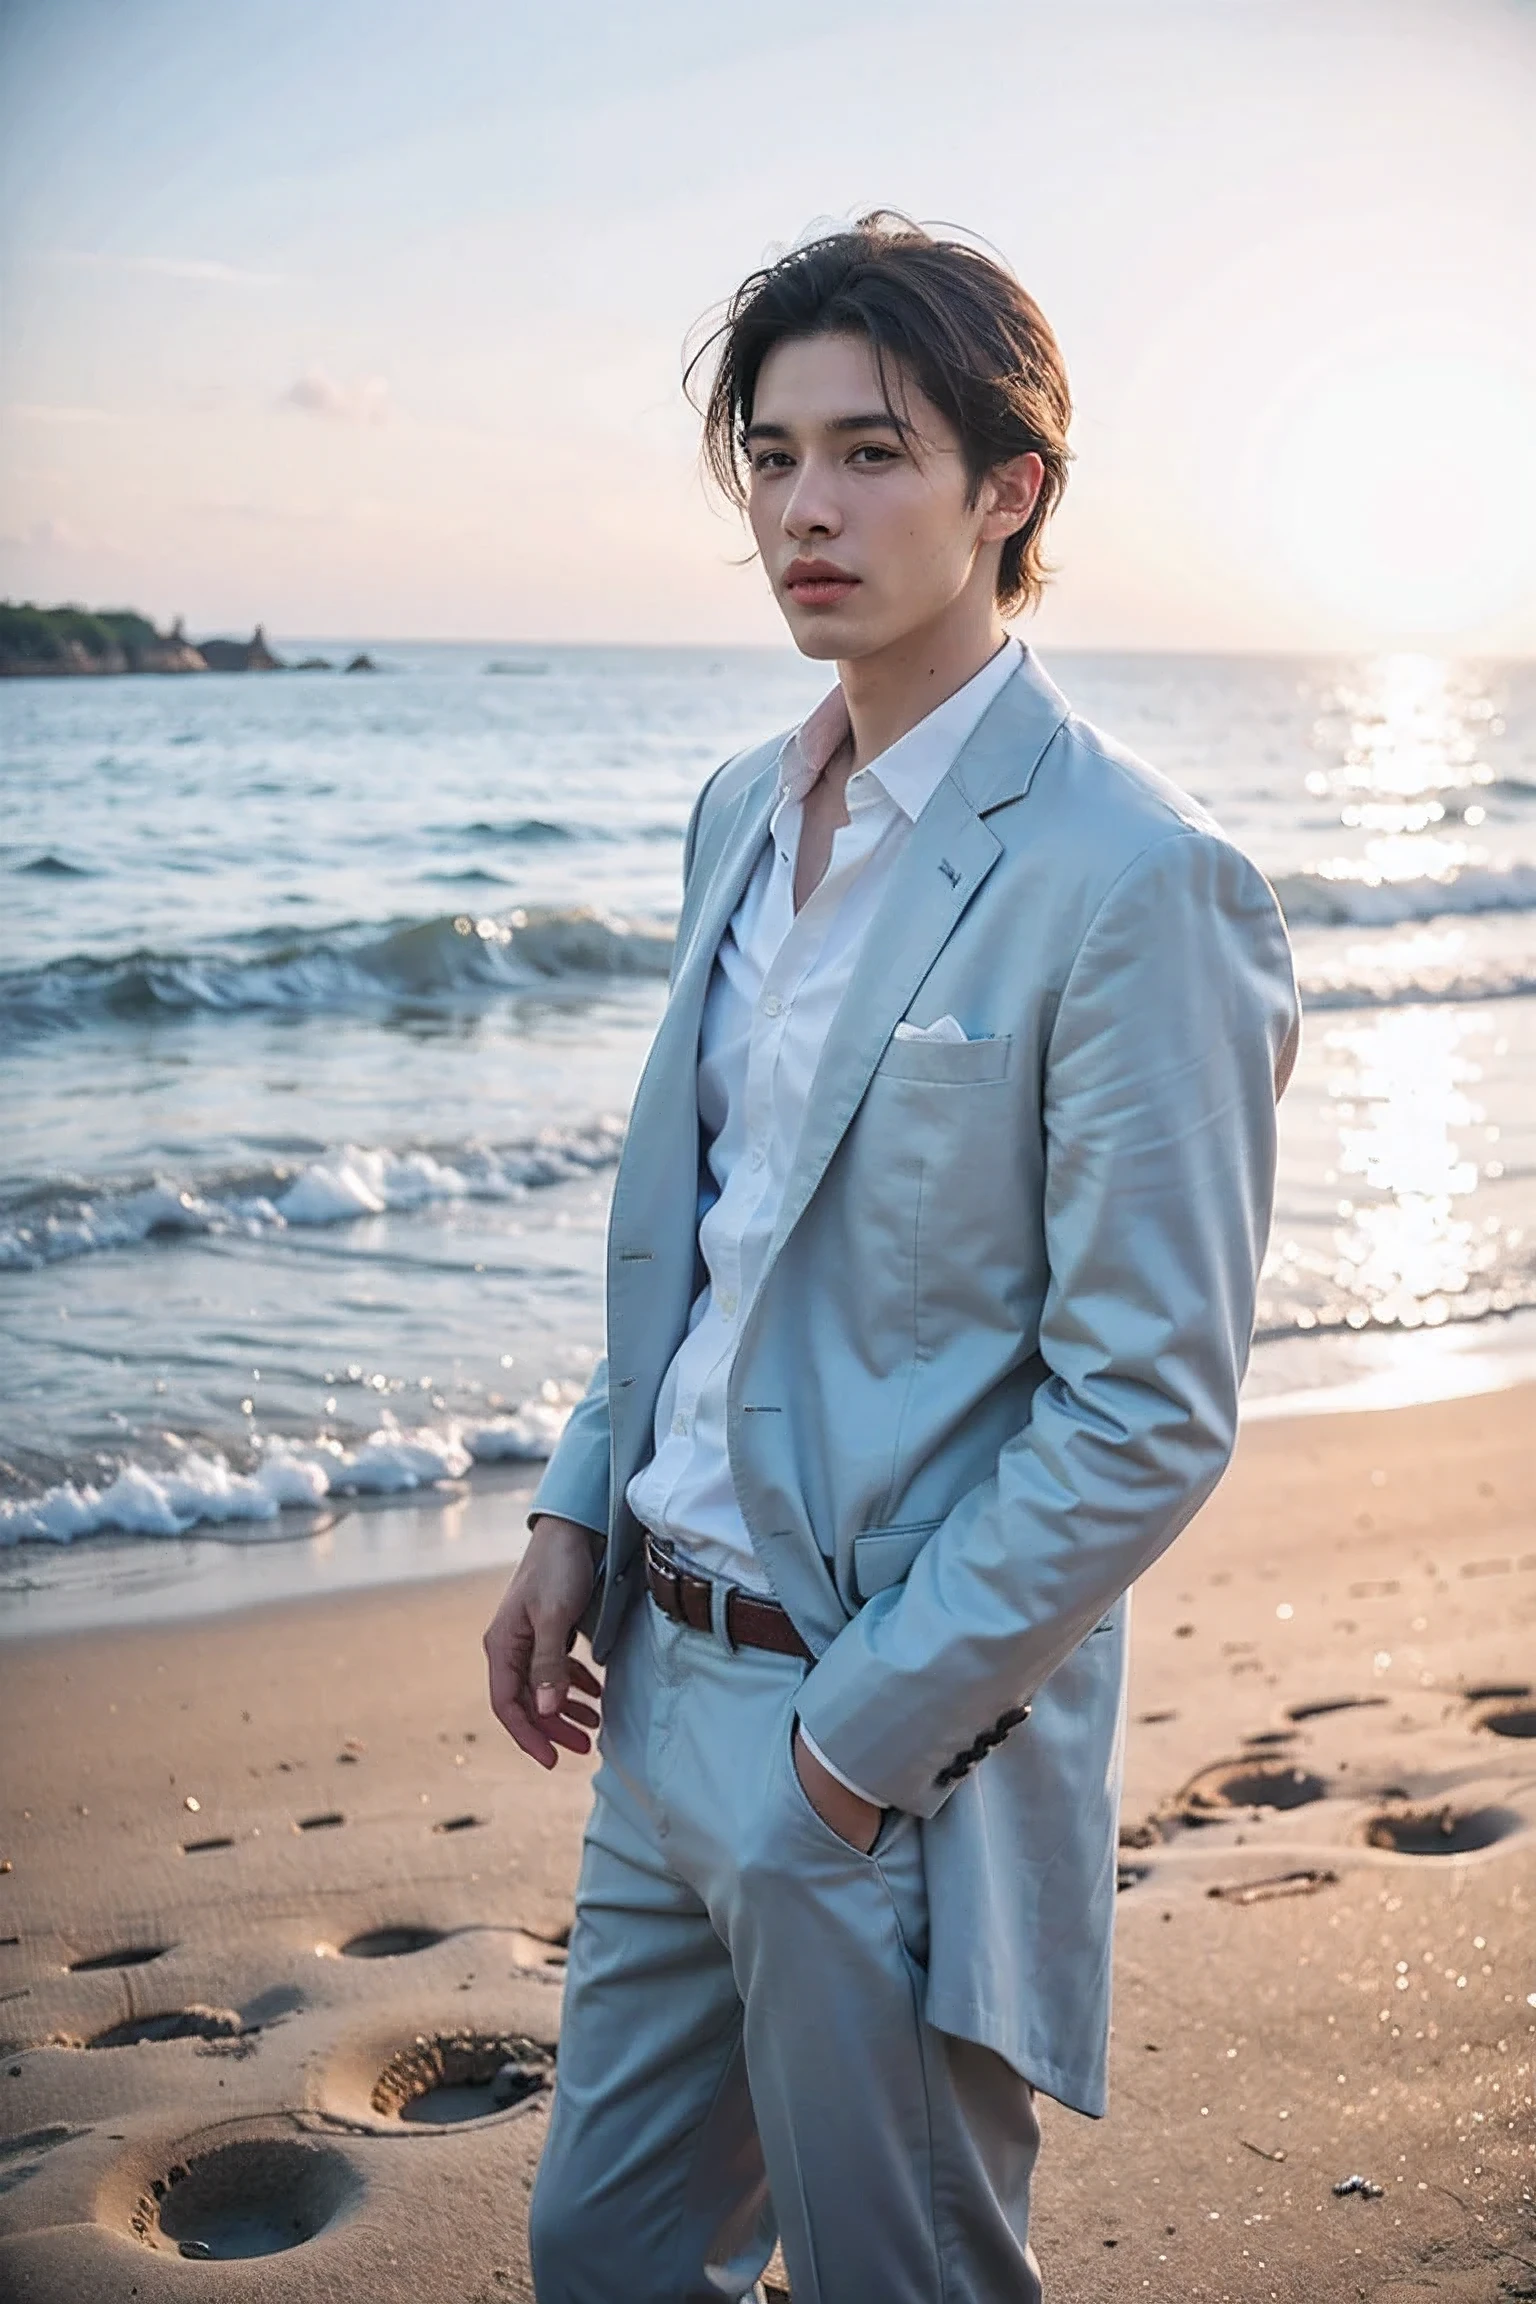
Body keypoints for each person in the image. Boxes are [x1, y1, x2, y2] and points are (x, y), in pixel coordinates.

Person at [484, 210, 1299, 2304]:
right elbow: (712, 1239)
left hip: (881, 1751)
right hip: (655, 1694)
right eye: (770, 457)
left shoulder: (1139, 881)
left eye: (870, 451)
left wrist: (856, 1753)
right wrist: (578, 1509)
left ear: (1007, 490)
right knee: (597, 2257)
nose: (805, 510)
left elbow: (1148, 1411)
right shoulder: (739, 810)